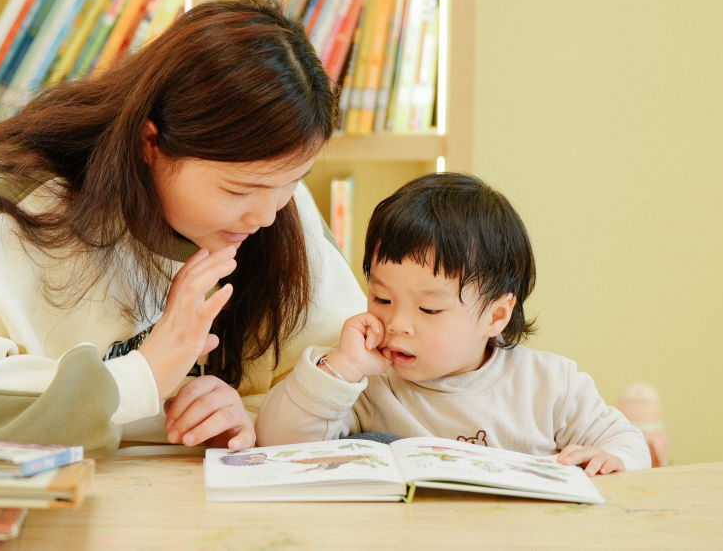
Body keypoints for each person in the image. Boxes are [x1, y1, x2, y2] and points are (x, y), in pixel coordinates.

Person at [0, 0, 365, 456]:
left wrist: (253, 420)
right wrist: (143, 375)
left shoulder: (279, 203)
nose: (265, 216)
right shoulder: (21, 204)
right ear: (150, 142)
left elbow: (357, 388)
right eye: (237, 191)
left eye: (292, 182)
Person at [255, 172, 651, 475]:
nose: (397, 323)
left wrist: (614, 458)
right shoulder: (369, 384)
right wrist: (342, 368)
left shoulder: (550, 385)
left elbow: (625, 441)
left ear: (496, 316)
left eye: (429, 309)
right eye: (382, 299)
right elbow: (278, 444)